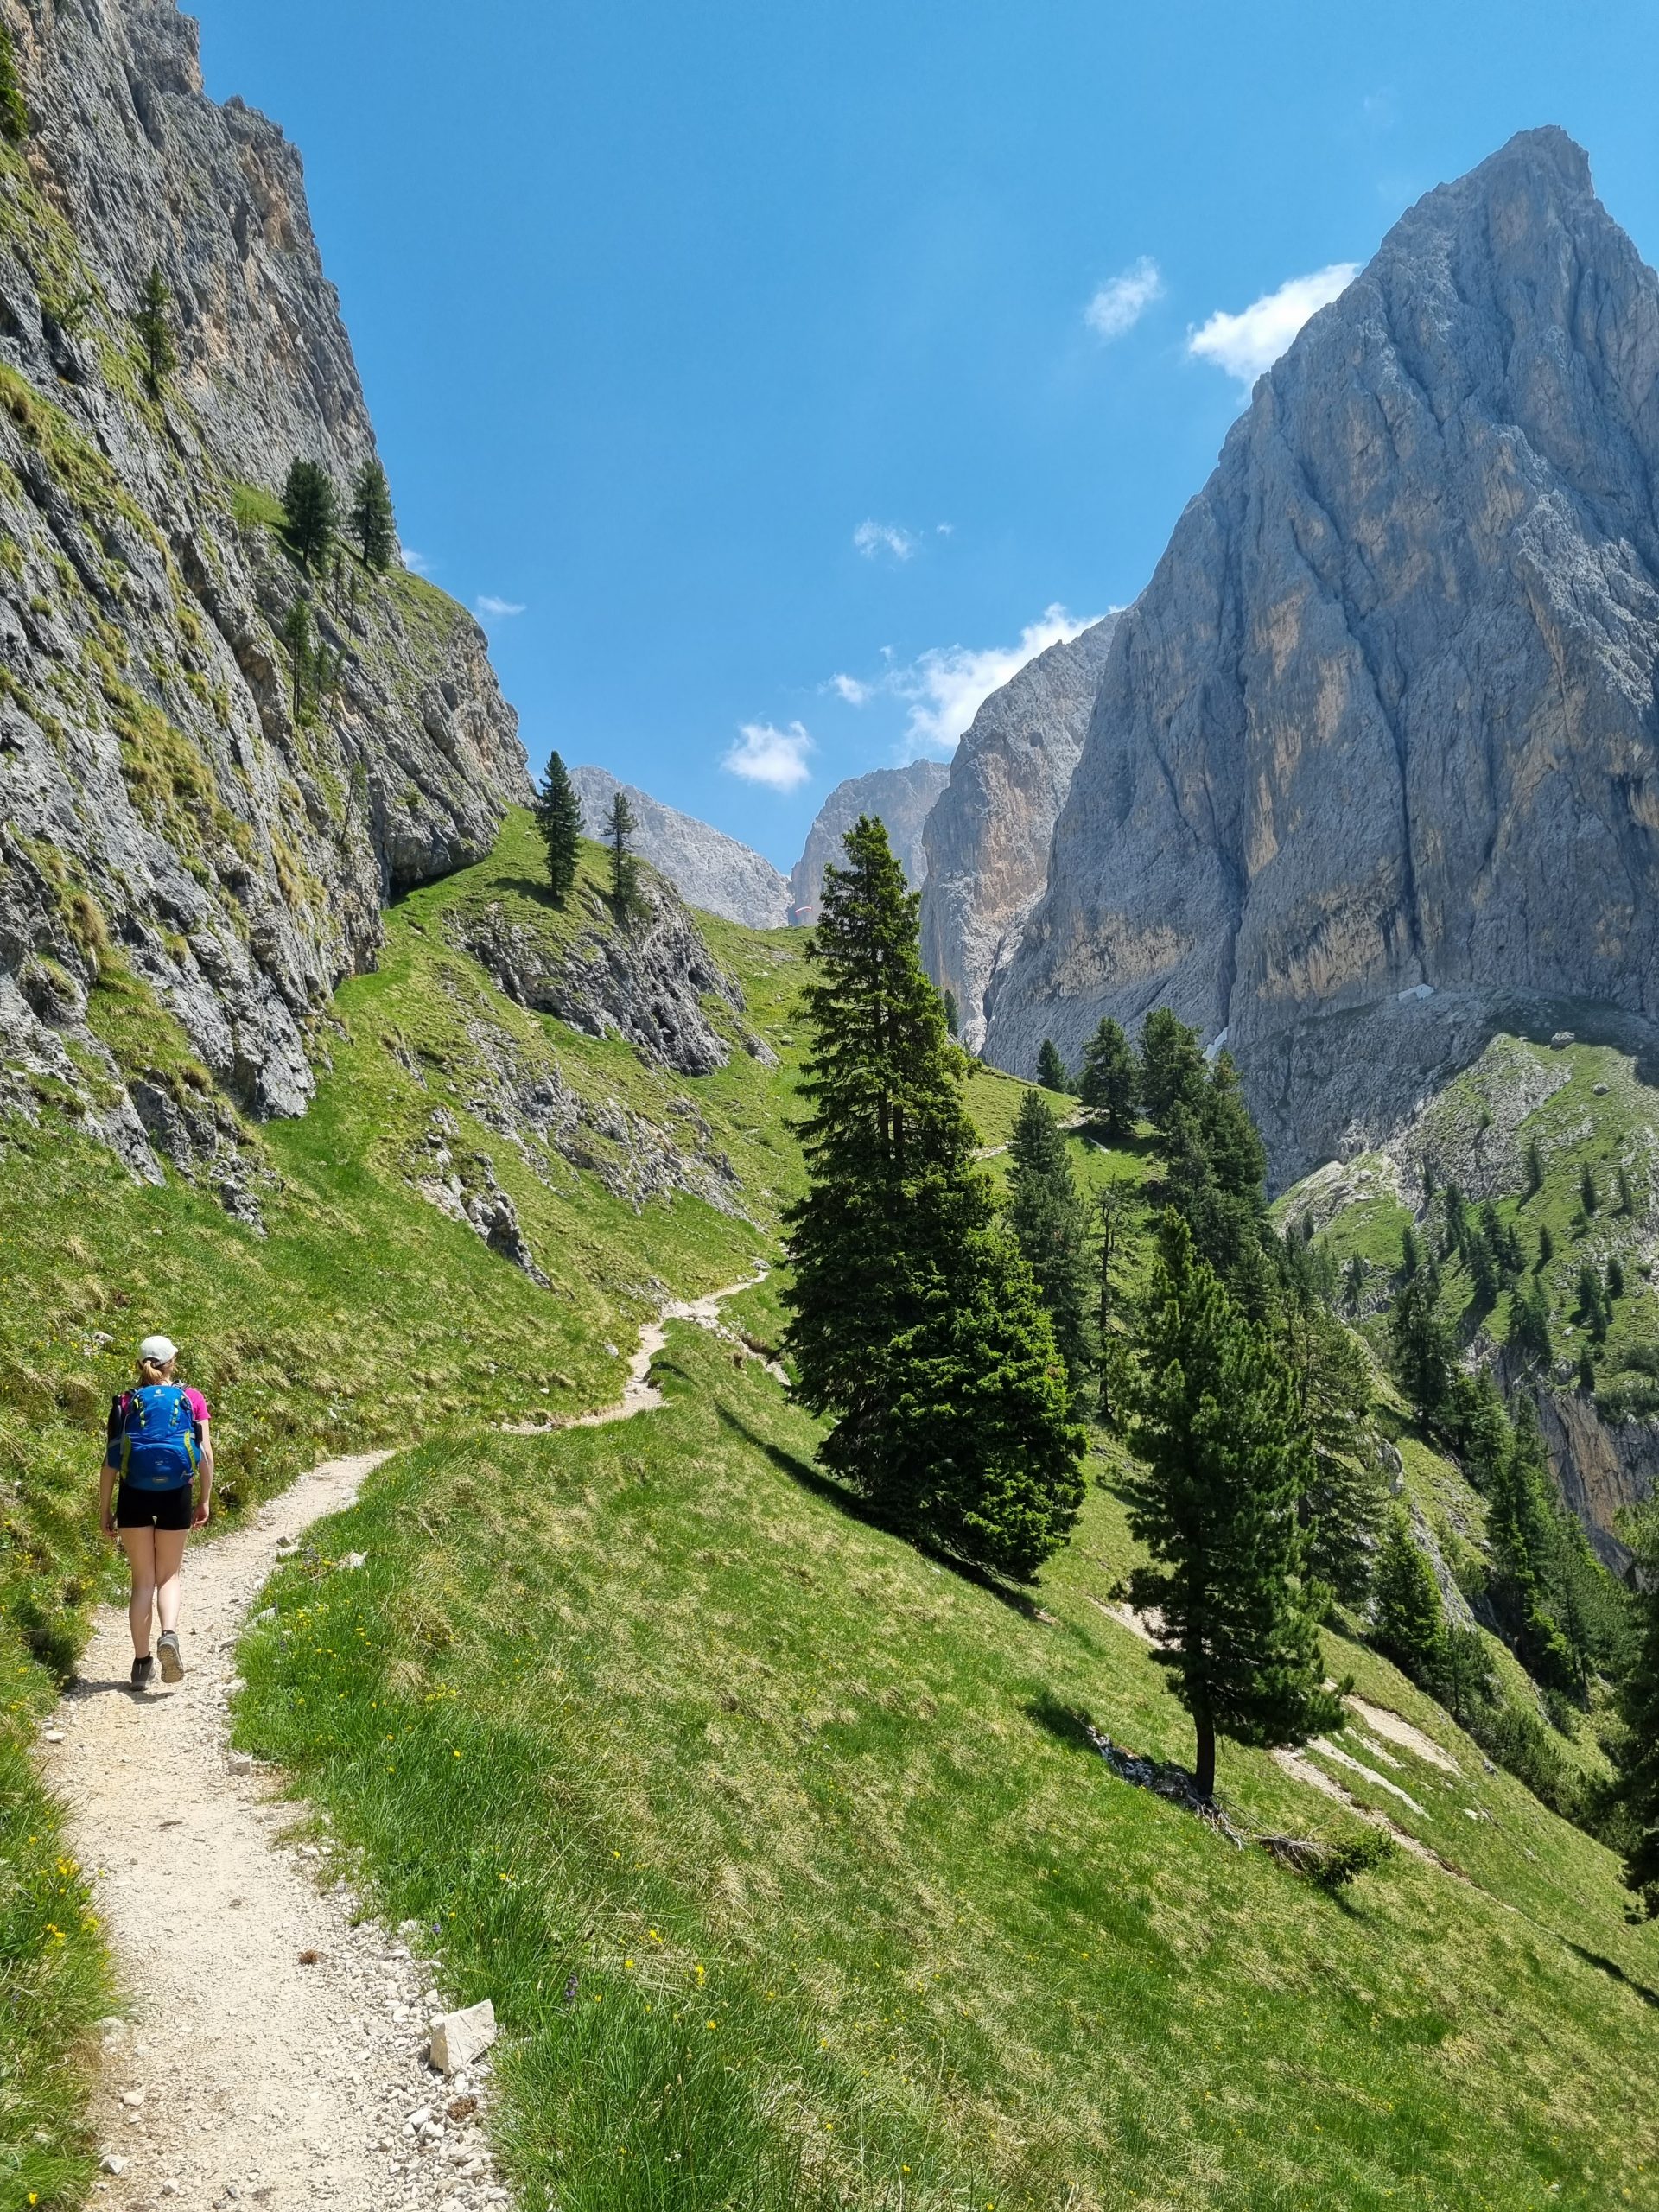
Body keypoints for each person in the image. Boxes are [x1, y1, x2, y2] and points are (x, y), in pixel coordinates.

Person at [99, 1335, 213, 1689]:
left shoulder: (125, 1401)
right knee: (169, 1576)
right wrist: (204, 1499)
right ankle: (169, 1635)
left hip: (134, 1494)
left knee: (142, 1582)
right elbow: (206, 1454)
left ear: (140, 1365)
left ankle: (140, 1664)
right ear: (172, 1362)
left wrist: (105, 1509)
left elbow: (111, 1461)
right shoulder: (191, 1398)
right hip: (176, 1493)